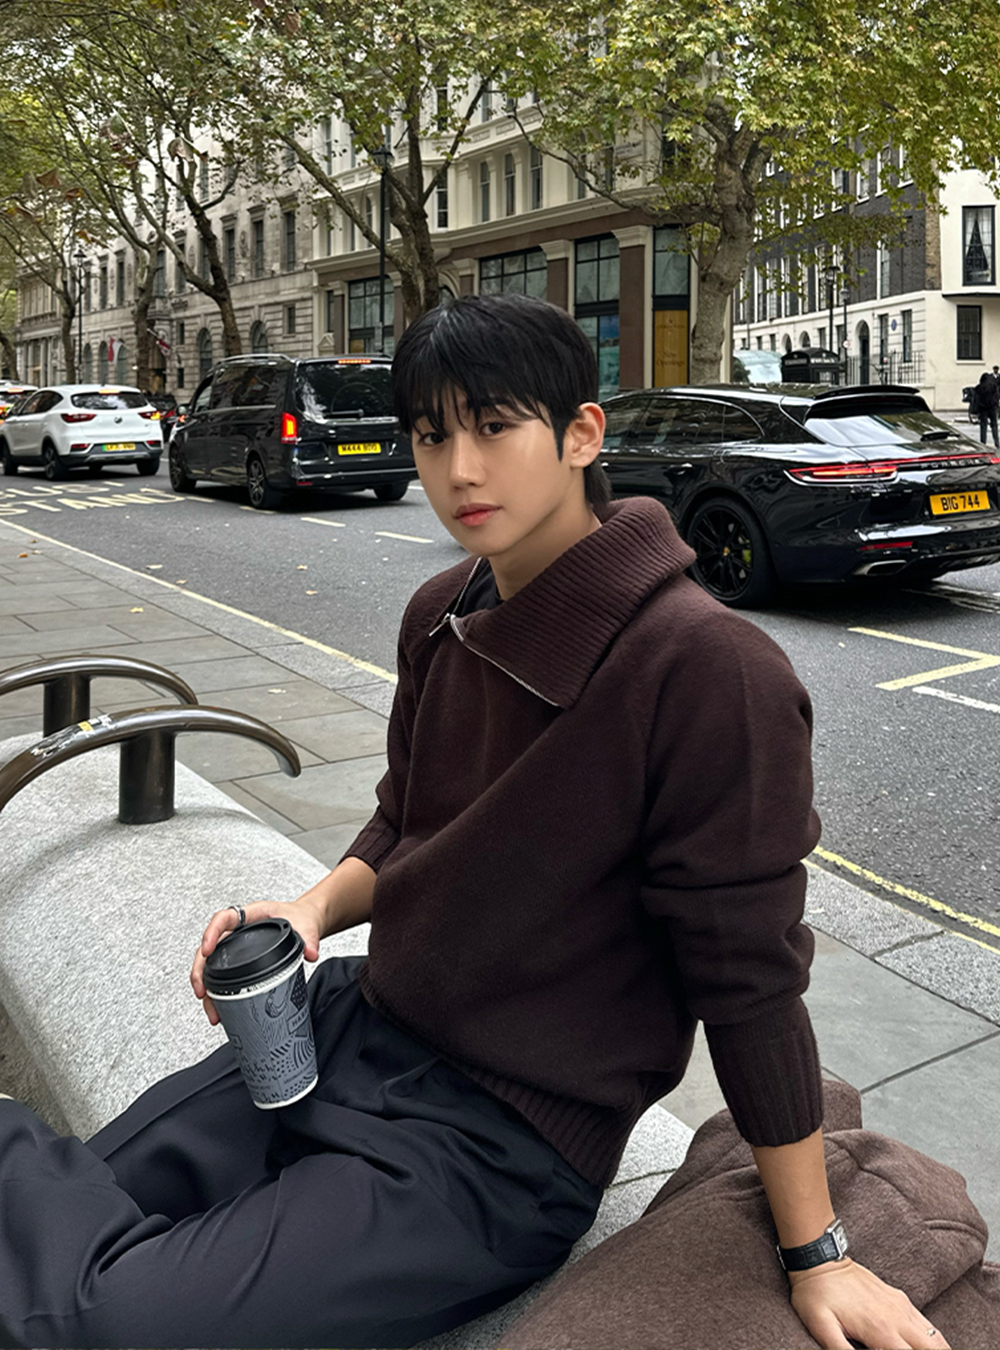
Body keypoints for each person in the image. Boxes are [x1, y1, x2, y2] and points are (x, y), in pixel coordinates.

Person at [0, 295, 946, 1350]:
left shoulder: (709, 670)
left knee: (100, 1321)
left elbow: (749, 978)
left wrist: (818, 1254)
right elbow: (404, 820)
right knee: (46, 1219)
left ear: (580, 434)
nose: (459, 470)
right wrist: (310, 909)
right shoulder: (442, 610)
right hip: (347, 1026)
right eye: (431, 434)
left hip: (497, 1146)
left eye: (494, 427)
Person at [971, 370, 999, 448]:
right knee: (994, 425)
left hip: (983, 409)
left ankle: (983, 443)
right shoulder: (993, 386)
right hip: (992, 408)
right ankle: (997, 442)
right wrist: (996, 405)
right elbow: (997, 397)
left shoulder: (978, 387)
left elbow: (976, 400)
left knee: (983, 426)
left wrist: (974, 410)